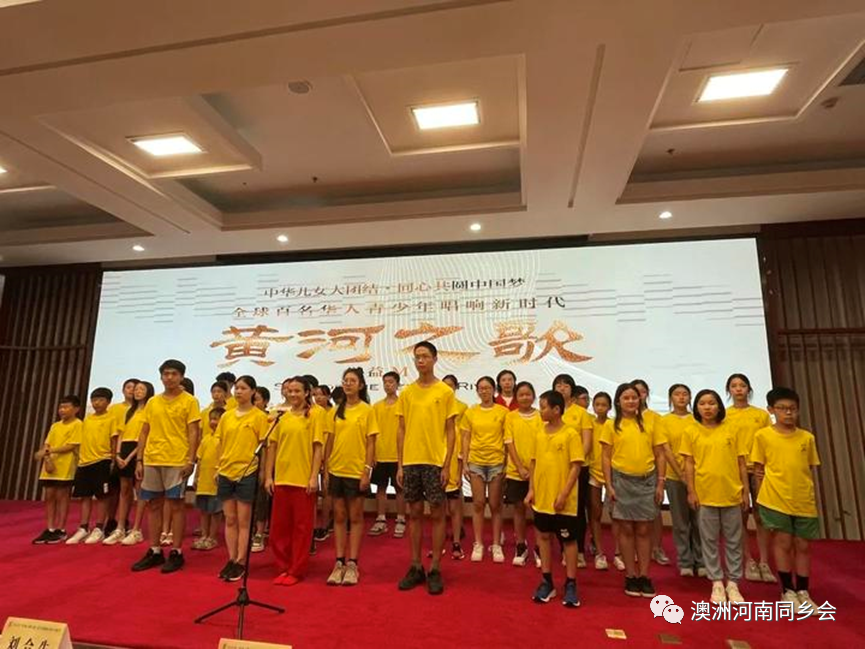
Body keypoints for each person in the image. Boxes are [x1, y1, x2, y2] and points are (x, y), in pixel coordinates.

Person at [396, 341, 458, 596]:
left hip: (435, 461)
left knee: (438, 513)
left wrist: (447, 464)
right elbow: (401, 429)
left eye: (425, 356)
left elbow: (451, 431)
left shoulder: (444, 391)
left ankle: (435, 568)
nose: (420, 360)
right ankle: (415, 566)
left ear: (434, 359)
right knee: (413, 513)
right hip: (411, 461)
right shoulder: (407, 392)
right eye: (417, 357)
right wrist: (400, 464)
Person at [751, 387, 821, 609]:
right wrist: (759, 500)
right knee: (783, 542)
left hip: (803, 499)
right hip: (775, 497)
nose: (788, 413)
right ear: (771, 410)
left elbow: (809, 468)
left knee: (803, 545)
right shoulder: (763, 435)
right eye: (782, 408)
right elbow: (759, 469)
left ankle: (803, 590)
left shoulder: (807, 438)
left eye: (792, 408)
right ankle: (787, 590)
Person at [131, 359, 201, 574]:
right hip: (152, 459)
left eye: (174, 374)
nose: (169, 377)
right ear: (161, 376)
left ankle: (176, 551)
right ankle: (155, 550)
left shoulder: (190, 401)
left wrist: (191, 460)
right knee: (153, 504)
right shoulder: (153, 402)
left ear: (181, 377)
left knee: (176, 506)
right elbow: (144, 431)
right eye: (166, 374)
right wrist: (140, 459)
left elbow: (194, 432)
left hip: (177, 460)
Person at [681, 389, 749, 604]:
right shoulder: (691, 431)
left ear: (719, 406)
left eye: (711, 403)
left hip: (731, 493)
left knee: (734, 540)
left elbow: (741, 462)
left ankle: (733, 583)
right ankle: (717, 582)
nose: (707, 407)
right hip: (705, 493)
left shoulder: (732, 429)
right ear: (696, 407)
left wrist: (745, 490)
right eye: (702, 403)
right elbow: (689, 464)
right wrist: (691, 491)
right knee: (709, 540)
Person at [600, 383, 667, 598]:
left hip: (647, 481)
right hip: (621, 481)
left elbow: (660, 455)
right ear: (618, 401)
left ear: (640, 400)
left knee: (644, 529)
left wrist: (660, 483)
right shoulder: (611, 425)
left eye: (634, 397)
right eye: (626, 398)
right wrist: (608, 484)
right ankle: (630, 575)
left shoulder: (651, 423)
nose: (630, 401)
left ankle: (644, 576)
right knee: (626, 530)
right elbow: (606, 457)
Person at [526, 390, 584, 607]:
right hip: (542, 499)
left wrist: (563, 494)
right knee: (543, 537)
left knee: (568, 540)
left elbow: (576, 466)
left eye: (543, 407)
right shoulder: (539, 433)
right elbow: (533, 463)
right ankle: (547, 581)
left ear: (557, 410)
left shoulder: (571, 434)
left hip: (564, 501)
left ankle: (570, 583)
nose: (540, 411)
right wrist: (531, 490)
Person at [266, 376, 324, 586]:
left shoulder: (314, 416)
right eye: (289, 391)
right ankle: (282, 566)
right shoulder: (281, 417)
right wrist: (268, 476)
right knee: (279, 529)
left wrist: (313, 476)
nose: (292, 394)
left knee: (301, 528)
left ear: (306, 393)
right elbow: (272, 447)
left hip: (302, 480)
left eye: (297, 391)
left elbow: (318, 448)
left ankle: (296, 569)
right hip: (282, 478)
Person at [323, 368, 379, 586]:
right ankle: (338, 562)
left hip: (356, 471)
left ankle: (353, 563)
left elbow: (371, 443)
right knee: (338, 516)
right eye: (345, 380)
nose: (347, 384)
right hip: (336, 469)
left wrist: (367, 471)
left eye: (352, 380)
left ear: (361, 385)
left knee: (355, 517)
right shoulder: (335, 411)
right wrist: (326, 470)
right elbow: (329, 442)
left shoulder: (367, 410)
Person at [214, 375, 269, 582]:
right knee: (229, 519)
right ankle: (231, 558)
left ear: (253, 391)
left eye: (244, 388)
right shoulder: (227, 416)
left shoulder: (259, 417)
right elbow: (220, 443)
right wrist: (218, 468)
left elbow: (264, 448)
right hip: (226, 471)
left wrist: (263, 473)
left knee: (244, 521)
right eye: (237, 388)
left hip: (247, 471)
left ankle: (241, 561)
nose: (238, 391)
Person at [726, 373, 774, 583]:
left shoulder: (761, 415)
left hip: (759, 470)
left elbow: (769, 442)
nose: (738, 389)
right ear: (729, 390)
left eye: (742, 385)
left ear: (749, 389)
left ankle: (764, 561)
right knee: (741, 517)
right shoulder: (725, 416)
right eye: (734, 386)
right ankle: (748, 560)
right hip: (736, 471)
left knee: (762, 517)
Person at [462, 376, 508, 563]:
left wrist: (507, 463)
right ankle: (478, 543)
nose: (484, 391)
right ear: (477, 391)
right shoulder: (471, 412)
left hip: (497, 462)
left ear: (494, 390)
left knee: (496, 505)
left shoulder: (503, 412)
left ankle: (496, 544)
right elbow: (466, 438)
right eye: (481, 388)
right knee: (478, 504)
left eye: (488, 388)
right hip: (476, 462)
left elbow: (507, 439)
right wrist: (465, 463)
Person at [659, 384, 703, 577]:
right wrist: (681, 473)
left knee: (699, 521)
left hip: (699, 477)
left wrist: (692, 474)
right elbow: (666, 450)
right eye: (677, 394)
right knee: (680, 521)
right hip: (674, 476)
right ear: (671, 398)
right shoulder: (664, 421)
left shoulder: (697, 419)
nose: (681, 397)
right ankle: (685, 561)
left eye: (685, 394)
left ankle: (701, 560)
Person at [64, 388, 118, 544]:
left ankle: (99, 528)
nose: (96, 403)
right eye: (94, 400)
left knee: (102, 496)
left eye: (100, 400)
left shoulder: (112, 418)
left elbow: (114, 441)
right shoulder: (87, 419)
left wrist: (113, 460)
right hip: (84, 462)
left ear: (108, 402)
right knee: (85, 496)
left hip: (102, 460)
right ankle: (83, 527)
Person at [105, 381, 154, 545]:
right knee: (124, 490)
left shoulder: (149, 410)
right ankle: (120, 527)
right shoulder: (129, 411)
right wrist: (118, 454)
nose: (137, 391)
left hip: (138, 450)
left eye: (141, 389)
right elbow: (120, 433)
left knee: (140, 491)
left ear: (149, 392)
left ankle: (136, 529)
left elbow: (144, 436)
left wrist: (131, 457)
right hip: (123, 449)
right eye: (136, 389)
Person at [554, 374, 593, 568]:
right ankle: (564, 549)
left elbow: (586, 442)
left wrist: (576, 461)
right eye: (558, 385)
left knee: (577, 510)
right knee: (559, 509)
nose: (562, 388)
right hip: (557, 469)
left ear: (572, 389)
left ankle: (579, 551)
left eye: (565, 385)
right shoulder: (552, 411)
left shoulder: (581, 413)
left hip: (578, 469)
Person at [32, 395, 82, 544]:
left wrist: (48, 451)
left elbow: (71, 446)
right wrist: (47, 457)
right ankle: (50, 528)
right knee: (49, 497)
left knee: (62, 498)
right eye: (61, 407)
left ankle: (61, 529)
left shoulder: (78, 424)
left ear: (76, 409)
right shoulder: (55, 426)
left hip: (66, 468)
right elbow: (47, 444)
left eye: (66, 407)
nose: (62, 410)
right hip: (50, 467)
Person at [631, 378, 670, 567]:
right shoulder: (622, 418)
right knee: (630, 514)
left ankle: (656, 548)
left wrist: (661, 478)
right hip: (628, 474)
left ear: (646, 394)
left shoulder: (655, 417)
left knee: (654, 512)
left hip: (650, 472)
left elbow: (661, 450)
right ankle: (634, 550)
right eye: (634, 392)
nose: (638, 396)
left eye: (641, 392)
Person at [503, 381, 541, 566]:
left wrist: (533, 470)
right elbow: (509, 443)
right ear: (516, 397)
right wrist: (519, 467)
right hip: (515, 471)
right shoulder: (510, 417)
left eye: (528, 394)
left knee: (538, 510)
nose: (525, 397)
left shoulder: (541, 416)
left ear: (533, 396)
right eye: (521, 395)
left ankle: (540, 547)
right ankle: (520, 545)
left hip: (538, 471)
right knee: (518, 508)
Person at [370, 372, 406, 538]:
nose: (388, 385)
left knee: (400, 489)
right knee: (380, 488)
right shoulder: (376, 406)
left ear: (397, 384)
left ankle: (401, 519)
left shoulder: (403, 405)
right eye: (385, 382)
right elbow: (372, 432)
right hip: (380, 454)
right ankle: (381, 519)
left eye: (391, 382)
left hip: (398, 455)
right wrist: (373, 454)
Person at [104, 378, 138, 537]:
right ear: (123, 390)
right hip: (114, 450)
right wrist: (113, 454)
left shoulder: (142, 409)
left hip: (132, 451)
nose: (131, 390)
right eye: (128, 387)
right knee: (113, 489)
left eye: (135, 388)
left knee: (128, 488)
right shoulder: (115, 409)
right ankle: (110, 520)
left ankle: (124, 521)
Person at [192, 407, 224, 552]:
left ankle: (212, 537)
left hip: (215, 481)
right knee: (204, 510)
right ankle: (204, 535)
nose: (213, 422)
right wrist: (196, 477)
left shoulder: (223, 439)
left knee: (216, 510)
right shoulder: (205, 438)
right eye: (211, 419)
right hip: (203, 481)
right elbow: (199, 459)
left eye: (216, 419)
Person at [442, 374, 468, 559]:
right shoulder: (435, 410)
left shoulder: (462, 408)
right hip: (435, 468)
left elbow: (460, 449)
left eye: (451, 385)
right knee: (438, 508)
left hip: (453, 468)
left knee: (454, 507)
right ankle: (440, 541)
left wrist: (459, 472)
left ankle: (457, 541)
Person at [587, 392, 612, 570]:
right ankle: (599, 552)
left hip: (612, 474)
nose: (600, 408)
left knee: (616, 515)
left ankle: (619, 553)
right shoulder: (589, 425)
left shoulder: (614, 425)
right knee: (595, 513)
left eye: (604, 405)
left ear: (609, 406)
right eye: (597, 404)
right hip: (593, 472)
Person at [250, 385, 272, 552]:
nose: (254, 403)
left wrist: (264, 470)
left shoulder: (268, 419)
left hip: (263, 464)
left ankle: (259, 532)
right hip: (244, 464)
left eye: (256, 399)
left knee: (261, 500)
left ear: (265, 401)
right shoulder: (244, 415)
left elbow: (266, 447)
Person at [312, 384, 335, 543]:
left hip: (331, 456)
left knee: (327, 491)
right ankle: (313, 525)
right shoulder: (312, 412)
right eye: (316, 395)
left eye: (322, 395)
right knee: (313, 492)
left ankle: (325, 525)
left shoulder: (334, 412)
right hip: (313, 456)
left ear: (328, 396)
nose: (318, 398)